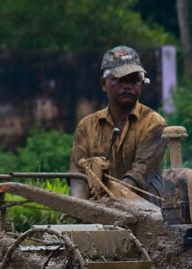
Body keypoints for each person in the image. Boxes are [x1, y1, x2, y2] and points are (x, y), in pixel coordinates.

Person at [69, 45, 167, 201]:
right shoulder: (86, 126)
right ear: (103, 84)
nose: (127, 86)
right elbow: (77, 176)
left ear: (142, 83)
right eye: (120, 80)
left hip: (147, 214)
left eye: (134, 80)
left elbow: (139, 175)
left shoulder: (154, 123)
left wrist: (109, 201)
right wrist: (79, 207)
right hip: (96, 212)